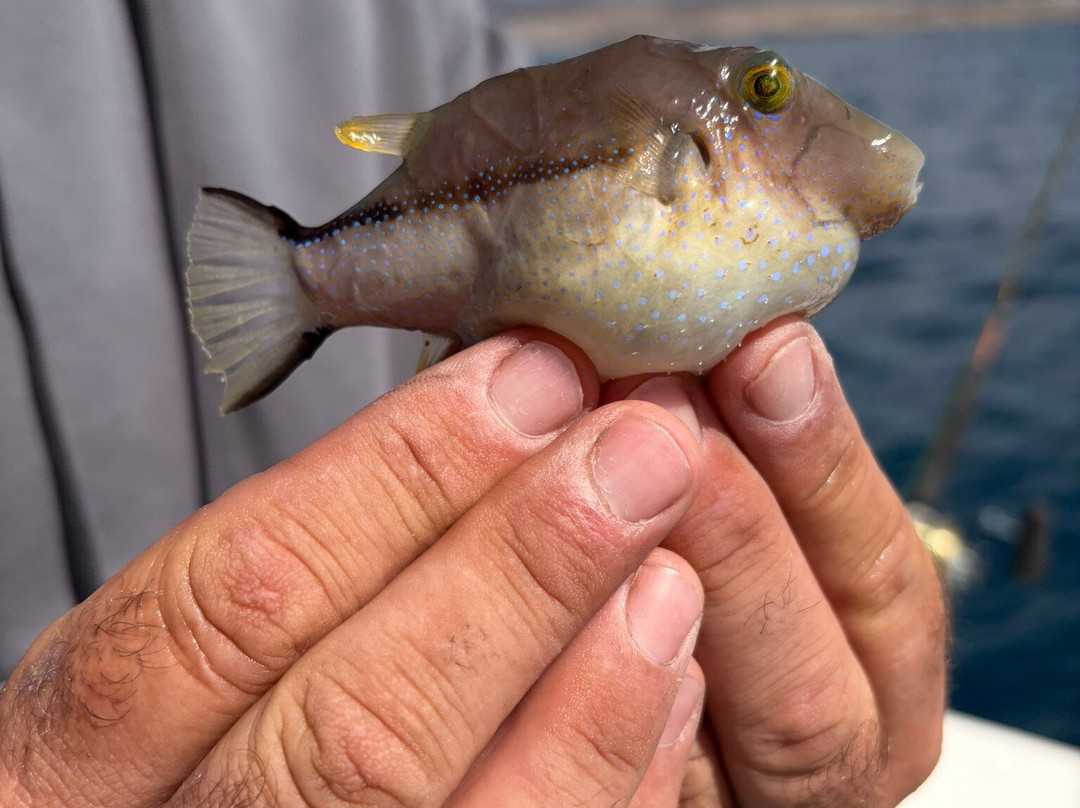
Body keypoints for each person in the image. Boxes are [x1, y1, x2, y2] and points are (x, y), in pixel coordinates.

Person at [0, 2, 946, 805]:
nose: (778, 104)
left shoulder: (423, 19)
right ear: (690, 148)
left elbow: (503, 121)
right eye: (766, 91)